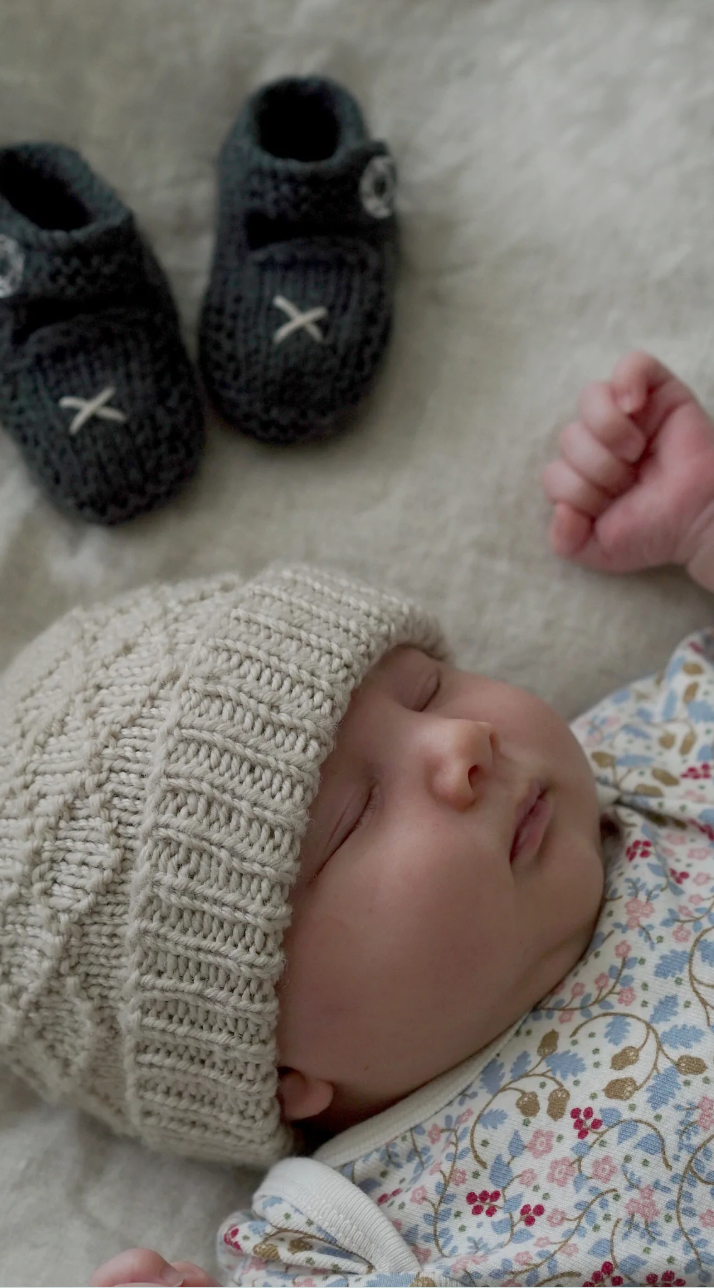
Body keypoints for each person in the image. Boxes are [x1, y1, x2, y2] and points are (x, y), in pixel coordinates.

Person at [86, 352, 714, 1288]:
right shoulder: (341, 1235)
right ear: (278, 1070)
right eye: (353, 815)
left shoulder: (649, 762)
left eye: (428, 687)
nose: (460, 742)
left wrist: (703, 520)